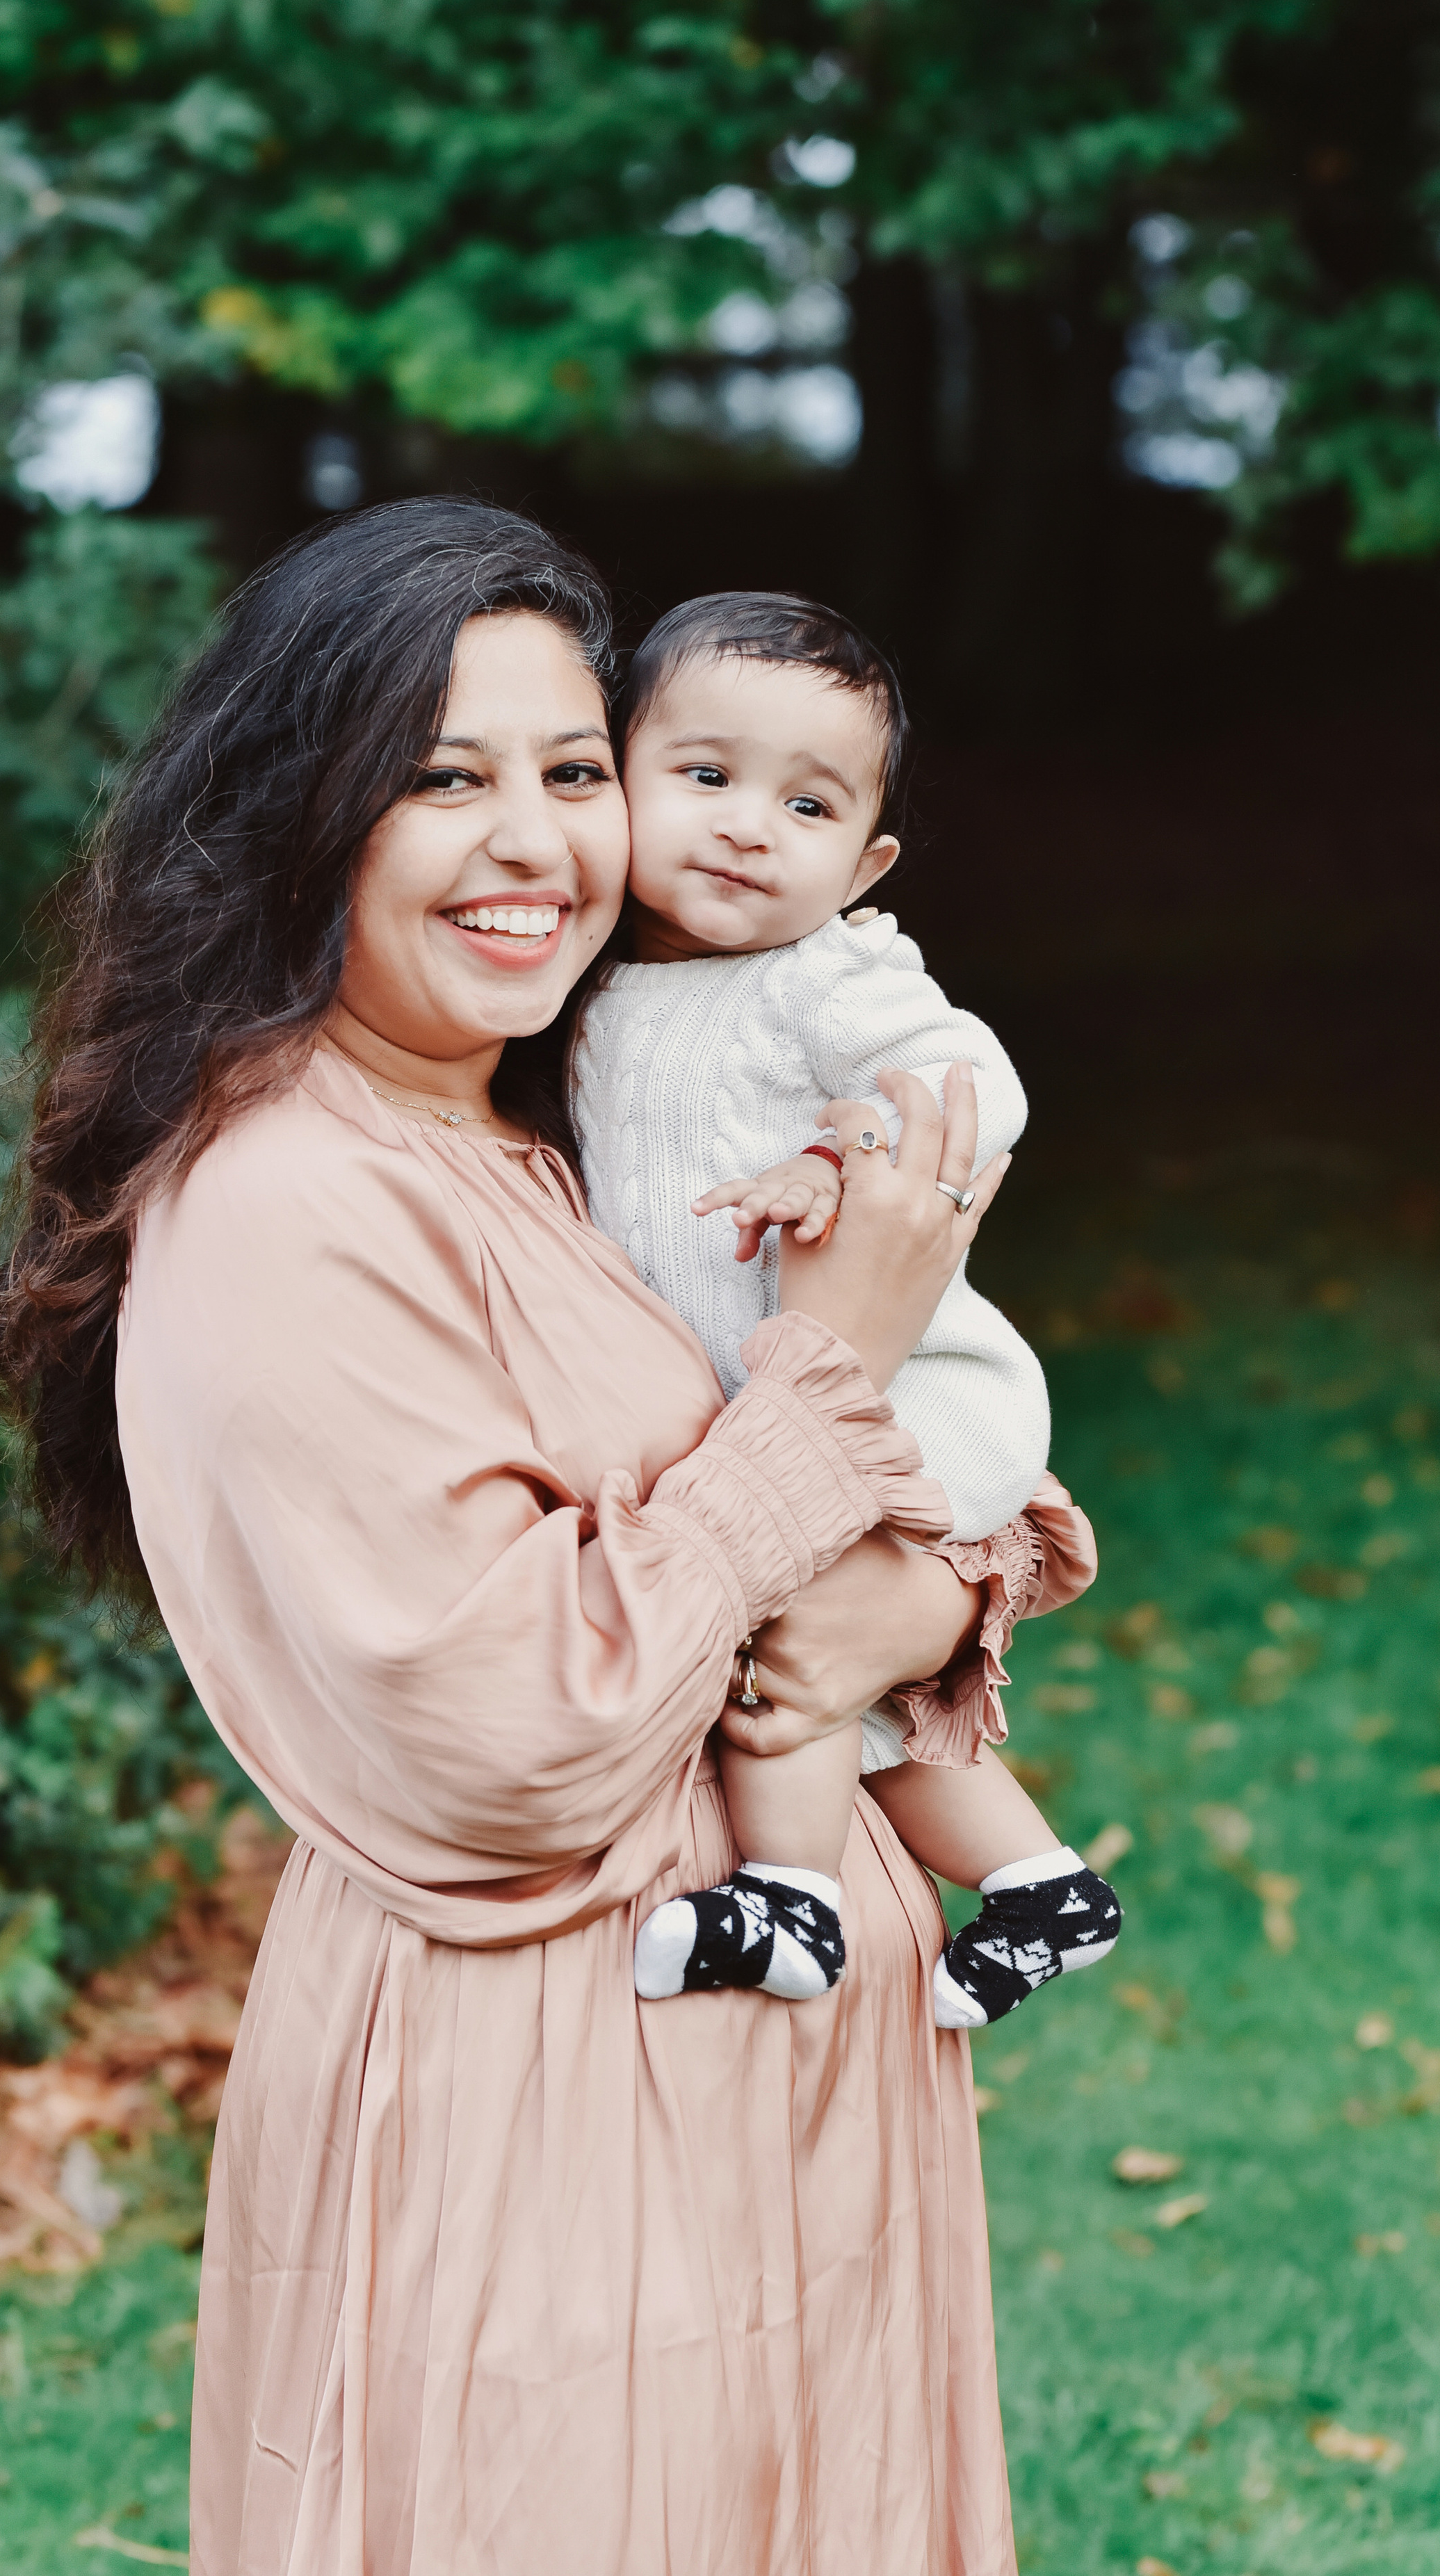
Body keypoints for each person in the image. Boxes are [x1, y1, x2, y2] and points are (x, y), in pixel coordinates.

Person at [0, 496, 1083, 2576]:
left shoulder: (531, 1126)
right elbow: (510, 1736)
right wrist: (833, 1367)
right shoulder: (292, 1195)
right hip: (553, 2104)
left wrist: (916, 1597)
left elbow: (845, 1547)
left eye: (574, 771)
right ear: (303, 817)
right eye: (441, 778)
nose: (535, 843)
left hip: (768, 2080)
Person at [572, 593, 1118, 2027]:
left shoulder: (825, 976)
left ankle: (788, 1900)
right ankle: (1041, 1885)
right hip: (787, 1398)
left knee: (785, 1637)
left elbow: (977, 1088)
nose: (748, 827)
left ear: (864, 861)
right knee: (843, 1671)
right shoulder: (581, 986)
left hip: (912, 1384)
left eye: (805, 805)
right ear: (613, 778)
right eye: (705, 775)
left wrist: (840, 1155)